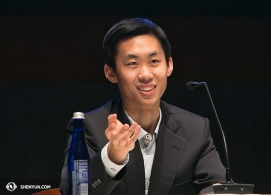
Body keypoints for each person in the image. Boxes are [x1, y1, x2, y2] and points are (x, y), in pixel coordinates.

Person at [60, 18, 225, 195]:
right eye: (132, 64)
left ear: (169, 65)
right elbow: (72, 191)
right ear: (111, 73)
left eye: (154, 61)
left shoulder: (195, 129)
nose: (146, 75)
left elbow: (215, 185)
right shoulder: (89, 127)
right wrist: (112, 157)